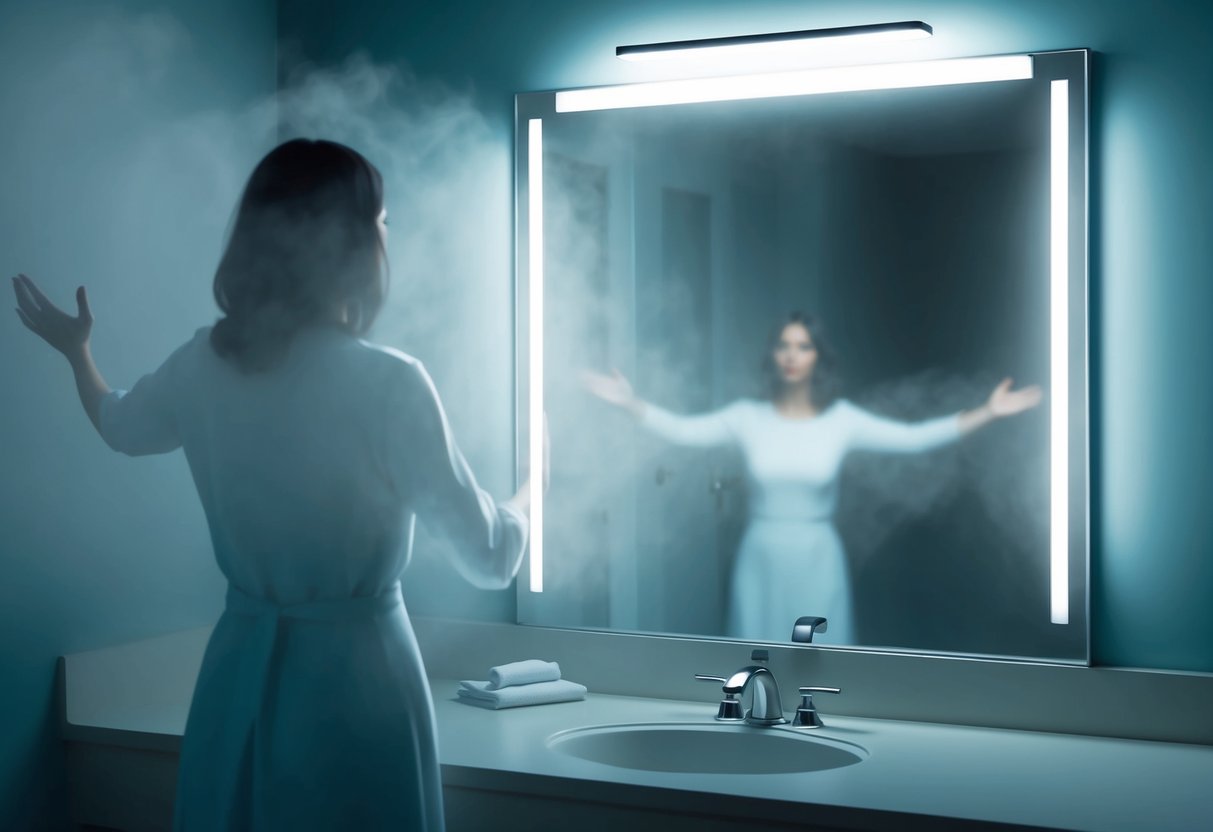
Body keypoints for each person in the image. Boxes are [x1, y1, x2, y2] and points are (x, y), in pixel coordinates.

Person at [11, 139, 541, 831]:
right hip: (360, 686)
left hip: (237, 679)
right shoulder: (389, 382)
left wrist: (78, 352)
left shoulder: (201, 366)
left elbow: (116, 426)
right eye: (379, 221)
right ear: (351, 244)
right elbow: (492, 557)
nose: (386, 236)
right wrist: (532, 487)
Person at [584, 311, 1040, 645]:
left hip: (818, 559)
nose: (792, 355)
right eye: (784, 345)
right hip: (761, 556)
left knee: (818, 661)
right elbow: (685, 431)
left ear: (818, 356)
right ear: (773, 355)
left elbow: (914, 438)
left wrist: (989, 412)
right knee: (756, 658)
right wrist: (630, 403)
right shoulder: (748, 417)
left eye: (803, 345)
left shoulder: (840, 420)